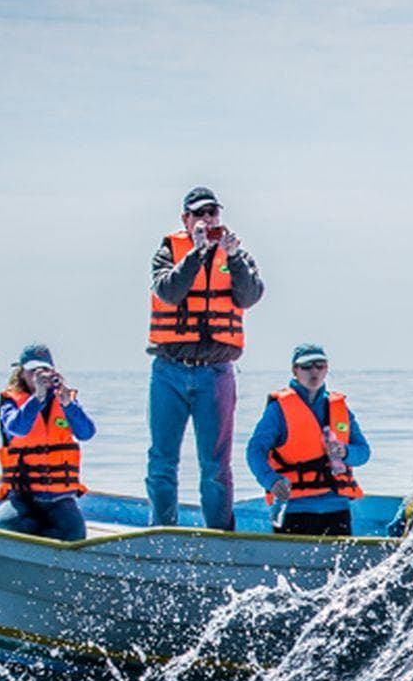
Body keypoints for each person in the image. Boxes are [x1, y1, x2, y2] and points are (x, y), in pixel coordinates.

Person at [147, 185, 265, 531]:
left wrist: (232, 258)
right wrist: (197, 254)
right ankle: (161, 532)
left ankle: (219, 537)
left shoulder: (236, 254)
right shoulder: (169, 250)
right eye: (198, 213)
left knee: (215, 466)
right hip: (169, 370)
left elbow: (250, 296)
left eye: (212, 213)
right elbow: (168, 291)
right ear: (185, 219)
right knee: (161, 463)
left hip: (215, 372)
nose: (207, 219)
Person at [245, 343, 373, 538]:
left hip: (336, 509)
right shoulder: (278, 410)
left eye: (320, 365)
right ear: (295, 370)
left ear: (326, 369)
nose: (314, 371)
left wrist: (345, 452)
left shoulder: (340, 409)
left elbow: (363, 453)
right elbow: (255, 451)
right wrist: (270, 480)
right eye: (306, 366)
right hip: (294, 509)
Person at [0, 342, 95, 542]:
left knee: (74, 533)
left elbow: (86, 433)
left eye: (45, 370)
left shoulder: (64, 399)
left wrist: (69, 406)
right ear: (21, 373)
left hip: (60, 499)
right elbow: (18, 428)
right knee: (4, 527)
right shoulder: (10, 401)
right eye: (32, 371)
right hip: (24, 497)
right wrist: (37, 399)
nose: (38, 376)